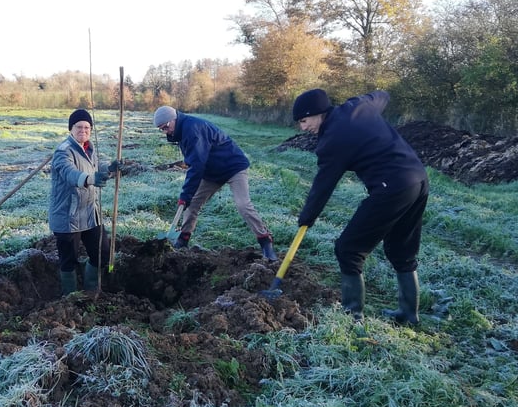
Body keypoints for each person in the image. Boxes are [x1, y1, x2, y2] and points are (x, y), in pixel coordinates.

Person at [293, 88, 429, 324]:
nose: (303, 128)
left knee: (348, 249)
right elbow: (383, 95)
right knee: (402, 249)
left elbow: (323, 185)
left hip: (392, 188)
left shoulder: (332, 140)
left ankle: (352, 316)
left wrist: (307, 217)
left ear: (317, 113)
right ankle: (409, 314)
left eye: (304, 121)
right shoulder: (360, 105)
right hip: (418, 180)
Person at [152, 106, 277, 259]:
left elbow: (196, 165)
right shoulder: (181, 130)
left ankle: (265, 241)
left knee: (243, 205)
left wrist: (185, 194)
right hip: (212, 173)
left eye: (166, 127)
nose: (165, 132)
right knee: (192, 204)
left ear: (174, 119)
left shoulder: (193, 129)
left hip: (233, 167)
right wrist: (188, 198)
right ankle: (182, 240)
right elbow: (196, 162)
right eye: (161, 129)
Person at [48, 109, 120, 295]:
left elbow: (95, 166)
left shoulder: (88, 148)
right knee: (68, 261)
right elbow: (70, 173)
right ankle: (70, 298)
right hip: (68, 216)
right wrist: (90, 179)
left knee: (102, 254)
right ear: (71, 129)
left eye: (87, 127)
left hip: (89, 214)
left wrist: (109, 168)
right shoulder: (63, 151)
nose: (83, 130)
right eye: (79, 127)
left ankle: (91, 291)